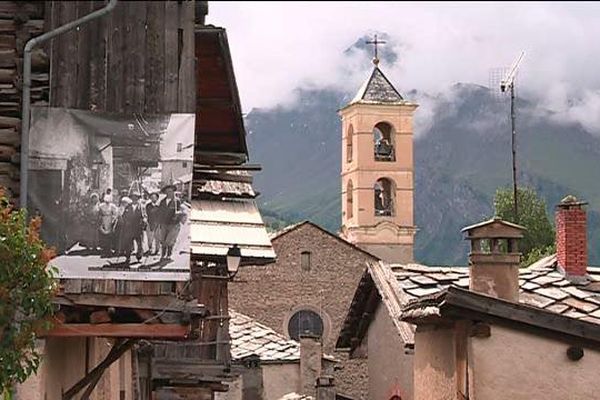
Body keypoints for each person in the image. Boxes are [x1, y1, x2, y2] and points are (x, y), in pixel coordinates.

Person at [158, 184, 183, 261]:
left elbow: (180, 211)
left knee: (170, 240)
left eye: (171, 191)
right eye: (168, 191)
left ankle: (169, 254)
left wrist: (178, 214)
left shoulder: (177, 201)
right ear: (165, 192)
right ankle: (163, 254)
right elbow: (160, 212)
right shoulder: (162, 202)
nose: (170, 193)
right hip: (164, 223)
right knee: (163, 239)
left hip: (173, 224)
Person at [118, 192, 145, 264]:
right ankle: (128, 257)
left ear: (138, 199)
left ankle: (139, 257)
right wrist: (125, 222)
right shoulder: (127, 207)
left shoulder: (141, 207)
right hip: (129, 228)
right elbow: (123, 216)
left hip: (138, 228)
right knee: (128, 244)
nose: (134, 199)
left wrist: (144, 221)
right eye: (133, 198)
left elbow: (144, 216)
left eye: (136, 198)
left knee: (139, 243)